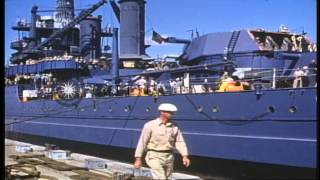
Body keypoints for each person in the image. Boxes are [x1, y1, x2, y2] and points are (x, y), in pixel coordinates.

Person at [134, 103, 191, 180]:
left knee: (168, 177)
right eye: (170, 112)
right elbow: (142, 142)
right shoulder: (150, 125)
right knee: (161, 178)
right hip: (154, 155)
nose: (172, 114)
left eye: (173, 112)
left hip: (169, 156)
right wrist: (138, 159)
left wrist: (185, 156)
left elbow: (179, 141)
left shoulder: (174, 126)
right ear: (162, 112)